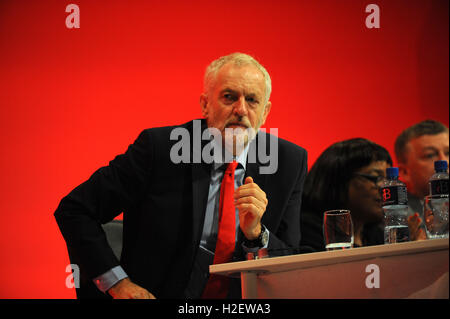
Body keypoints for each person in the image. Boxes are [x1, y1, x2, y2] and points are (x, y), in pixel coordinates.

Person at [54, 53, 308, 299]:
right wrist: (118, 284)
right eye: (229, 97)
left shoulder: (288, 163)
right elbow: (75, 210)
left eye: (252, 100)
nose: (241, 109)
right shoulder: (160, 149)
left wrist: (256, 234)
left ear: (265, 112)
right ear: (205, 104)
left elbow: (291, 259)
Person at [300, 138, 423, 251]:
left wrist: (401, 249)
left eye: (388, 180)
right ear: (339, 180)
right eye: (376, 177)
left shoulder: (376, 234)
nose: (385, 188)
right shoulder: (307, 232)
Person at [394, 120, 449, 222]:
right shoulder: (399, 218)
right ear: (404, 172)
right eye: (430, 155)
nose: (445, 161)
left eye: (448, 153)